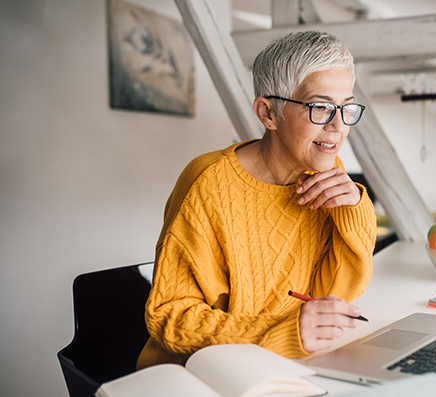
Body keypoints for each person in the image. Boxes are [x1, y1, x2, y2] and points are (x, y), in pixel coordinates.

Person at [136, 31, 376, 369]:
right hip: (195, 372)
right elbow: (170, 318)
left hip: (277, 363)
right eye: (320, 107)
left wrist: (354, 210)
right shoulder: (207, 182)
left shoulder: (322, 173)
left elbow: (334, 296)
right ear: (268, 114)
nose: (338, 126)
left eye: (346, 107)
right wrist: (279, 332)